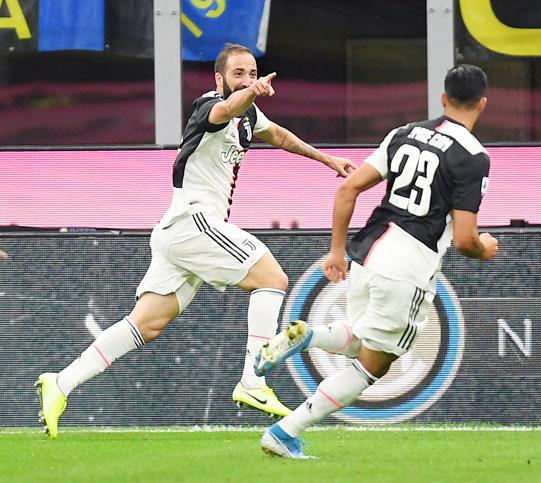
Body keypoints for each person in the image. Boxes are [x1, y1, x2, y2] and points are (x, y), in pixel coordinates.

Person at [35, 43, 355, 439]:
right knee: (272, 278)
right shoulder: (209, 106)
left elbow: (281, 136)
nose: (248, 80)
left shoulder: (248, 113)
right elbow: (225, 111)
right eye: (239, 74)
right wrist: (248, 95)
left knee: (147, 324)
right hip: (192, 221)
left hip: (181, 231)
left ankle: (60, 382)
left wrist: (327, 160)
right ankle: (252, 383)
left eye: (252, 74)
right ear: (218, 79)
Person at [254, 64, 499, 458]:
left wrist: (336, 250)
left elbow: (349, 188)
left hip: (368, 251)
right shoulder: (473, 156)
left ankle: (309, 337)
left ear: (442, 99)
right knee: (373, 366)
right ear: (483, 104)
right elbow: (467, 237)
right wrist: (484, 248)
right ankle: (285, 431)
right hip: (408, 264)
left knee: (360, 339)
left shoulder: (402, 134)